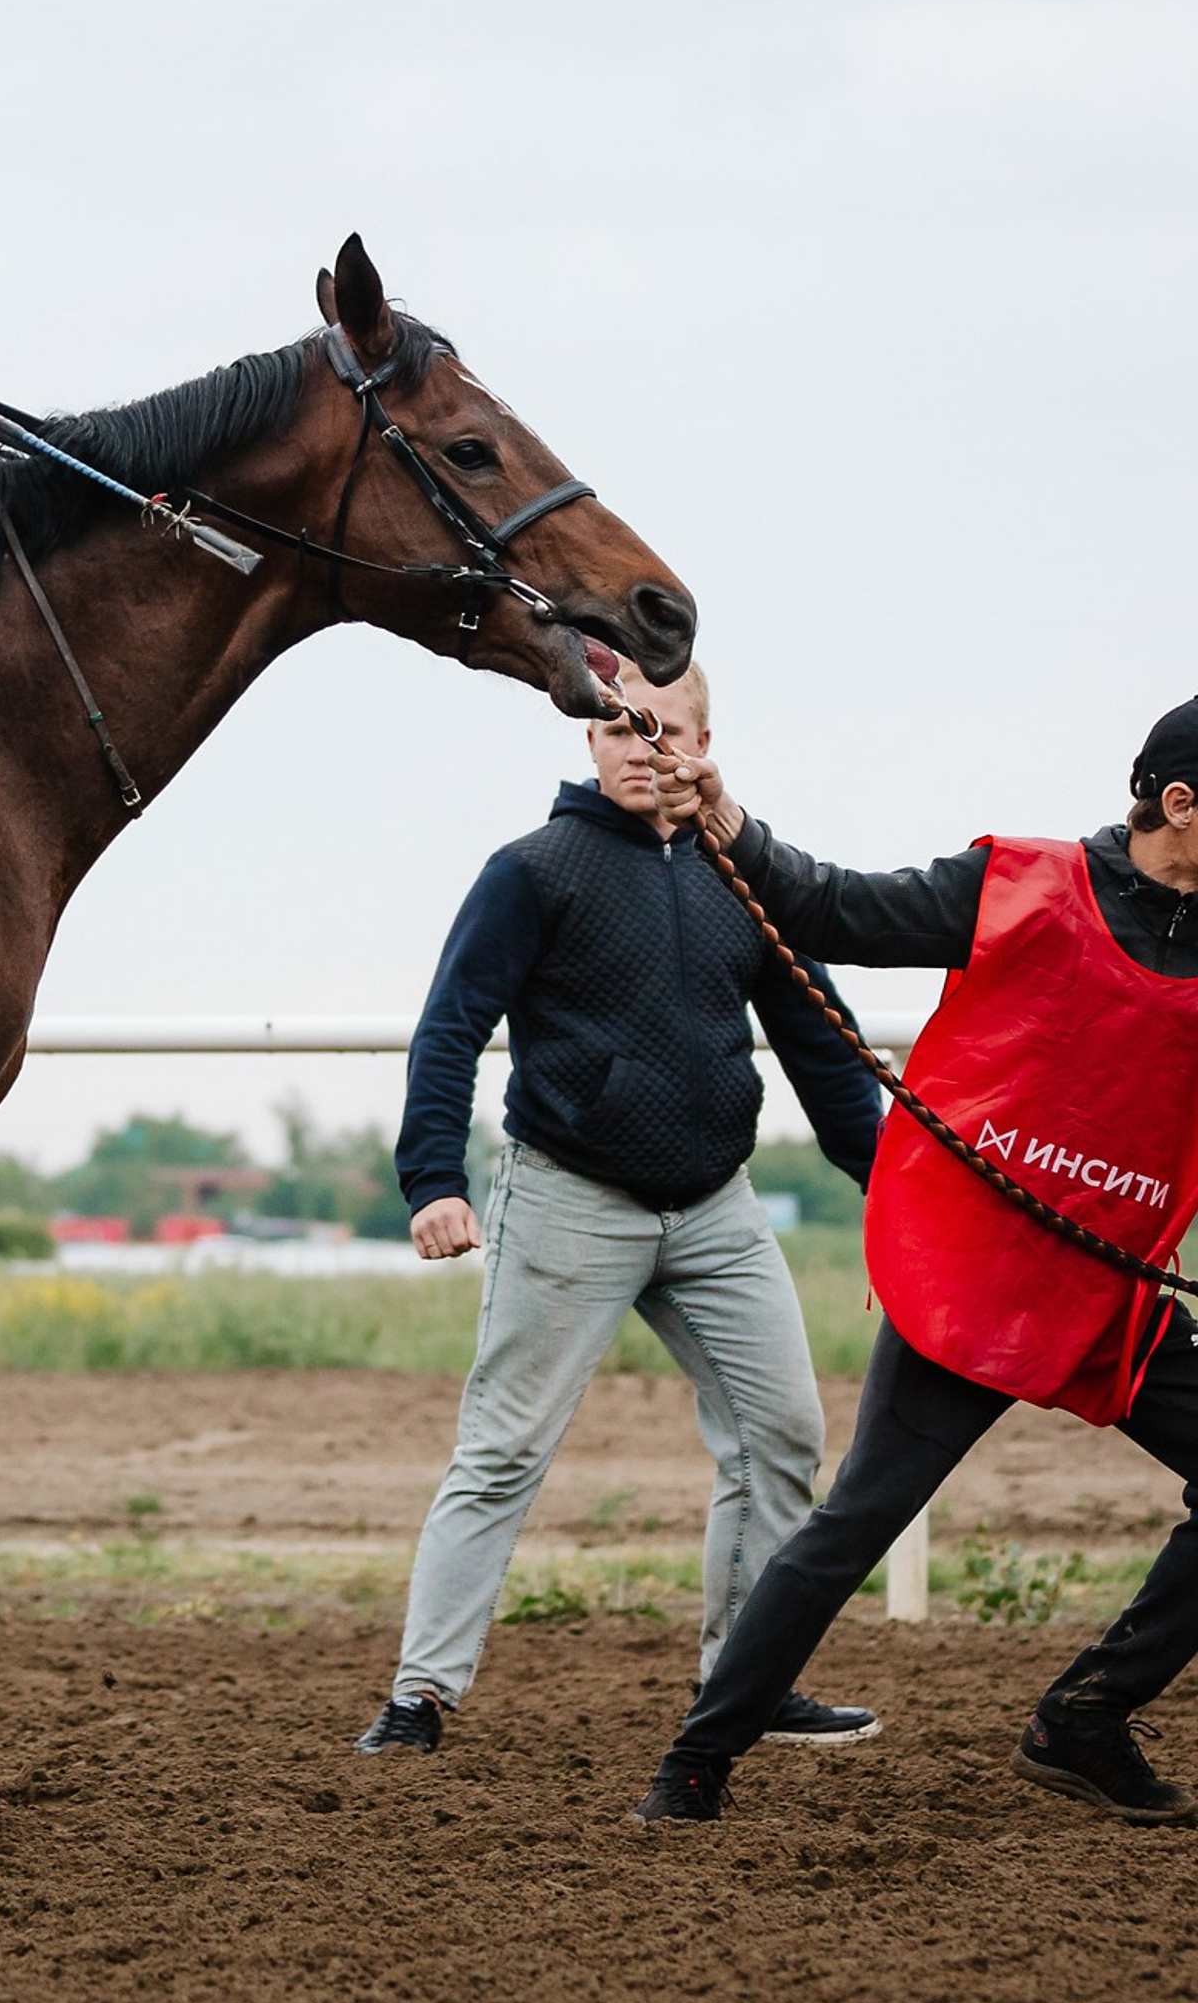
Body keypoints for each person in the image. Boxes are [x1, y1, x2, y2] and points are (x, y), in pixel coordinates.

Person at [634, 697, 1198, 1827]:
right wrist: (726, 818)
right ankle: (699, 1757)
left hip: (1110, 1292)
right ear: (1180, 802)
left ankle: (1083, 1717)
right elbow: (835, 905)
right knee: (858, 1521)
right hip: (977, 1274)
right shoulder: (1022, 883)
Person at [356, 663, 885, 1759]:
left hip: (715, 1211)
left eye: (667, 730)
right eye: (620, 729)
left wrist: (894, 1186)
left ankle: (746, 1681)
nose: (644, 749)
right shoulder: (531, 871)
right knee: (502, 1451)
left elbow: (826, 1055)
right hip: (567, 1200)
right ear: (590, 741)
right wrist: (433, 1182)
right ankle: (417, 1699)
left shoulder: (749, 881)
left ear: (704, 741)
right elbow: (449, 1027)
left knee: (783, 1433)